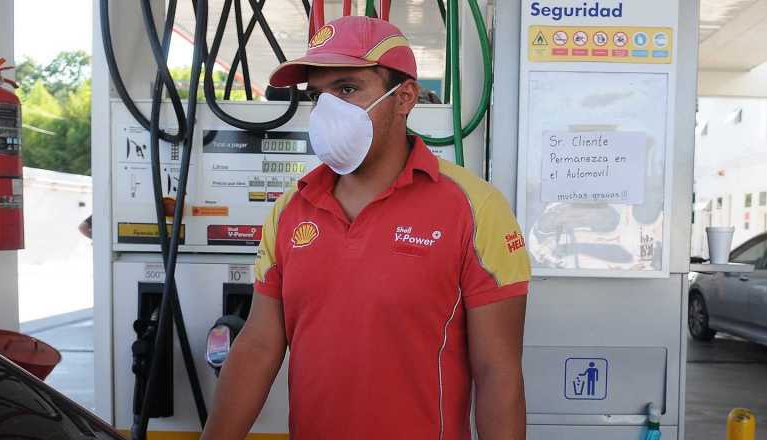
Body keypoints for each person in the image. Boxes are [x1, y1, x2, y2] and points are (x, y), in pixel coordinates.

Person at [201, 16, 530, 440]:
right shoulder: (289, 211)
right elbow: (258, 346)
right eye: (318, 95)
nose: (327, 110)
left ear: (405, 96)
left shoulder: (476, 208)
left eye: (347, 89)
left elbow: (499, 375)